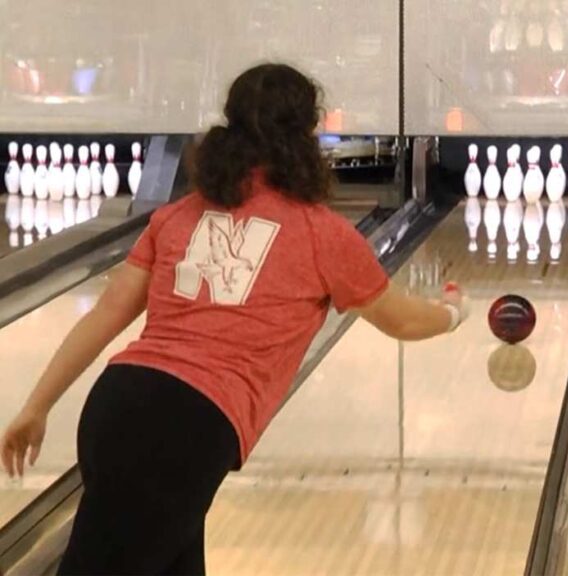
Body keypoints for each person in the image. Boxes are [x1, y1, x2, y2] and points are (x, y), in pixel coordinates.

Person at [0, 63, 468, 575]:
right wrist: (452, 312)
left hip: (116, 406)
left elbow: (107, 314)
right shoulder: (323, 236)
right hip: (189, 430)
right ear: (307, 136)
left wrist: (36, 406)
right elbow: (402, 320)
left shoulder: (176, 215)